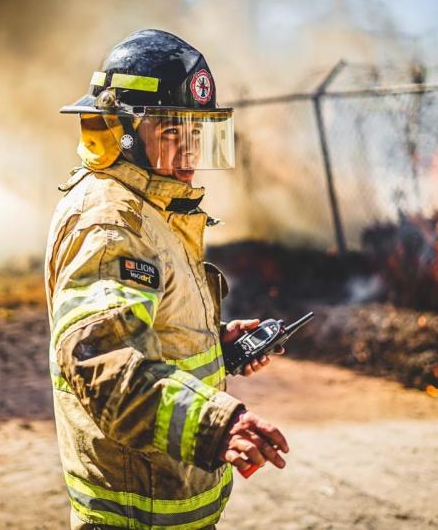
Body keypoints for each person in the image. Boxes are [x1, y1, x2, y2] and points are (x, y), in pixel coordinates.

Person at [45, 29, 289, 529]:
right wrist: (215, 425)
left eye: (199, 133)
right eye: (173, 132)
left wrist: (215, 346)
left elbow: (143, 331)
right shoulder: (111, 223)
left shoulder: (152, 210)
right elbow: (100, 359)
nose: (190, 154)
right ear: (122, 132)